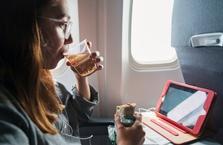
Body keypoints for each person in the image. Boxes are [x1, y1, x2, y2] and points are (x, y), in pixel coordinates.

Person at [0, 0, 145, 144]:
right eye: (63, 25)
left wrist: (81, 77)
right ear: (28, 27)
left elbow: (80, 114)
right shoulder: (6, 116)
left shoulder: (44, 82)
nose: (70, 39)